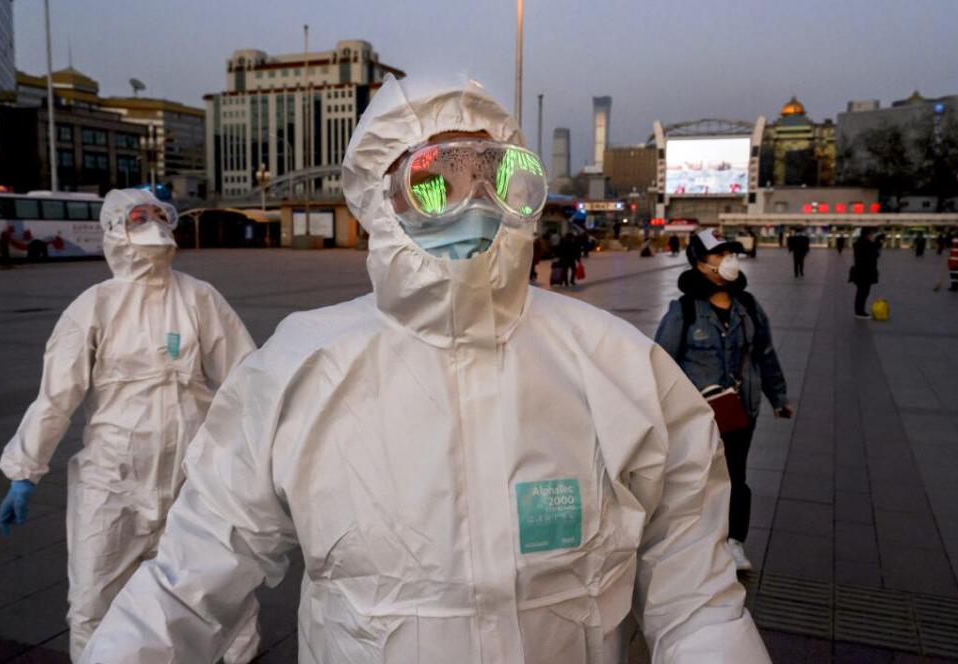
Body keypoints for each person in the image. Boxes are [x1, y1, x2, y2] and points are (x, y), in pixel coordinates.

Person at [80, 75, 770, 664]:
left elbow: (698, 604)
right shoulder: (301, 370)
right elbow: (187, 584)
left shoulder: (620, 368)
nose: (476, 203)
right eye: (437, 182)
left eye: (497, 177)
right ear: (379, 198)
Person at [0, 189, 260, 662]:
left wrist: (261, 451)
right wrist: (25, 470)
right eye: (140, 217)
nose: (153, 224)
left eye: (159, 215)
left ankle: (238, 657)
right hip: (112, 478)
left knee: (212, 583)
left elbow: (245, 375)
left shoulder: (198, 298)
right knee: (94, 594)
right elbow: (56, 396)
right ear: (115, 228)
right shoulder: (93, 306)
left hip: (190, 474)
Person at [654, 229, 792, 573]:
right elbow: (661, 362)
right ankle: (695, 540)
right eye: (719, 254)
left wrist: (778, 397)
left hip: (741, 411)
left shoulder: (749, 307)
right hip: (698, 414)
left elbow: (765, 354)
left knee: (735, 475)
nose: (728, 259)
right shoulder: (684, 311)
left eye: (731, 253)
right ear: (700, 263)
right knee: (696, 476)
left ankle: (734, 541)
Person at [850, 227, 880, 319]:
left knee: (861, 292)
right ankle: (860, 312)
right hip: (865, 273)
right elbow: (875, 255)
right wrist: (876, 244)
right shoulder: (868, 245)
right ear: (867, 235)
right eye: (871, 234)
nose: (872, 236)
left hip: (860, 272)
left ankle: (859, 311)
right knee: (863, 293)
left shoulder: (859, 243)